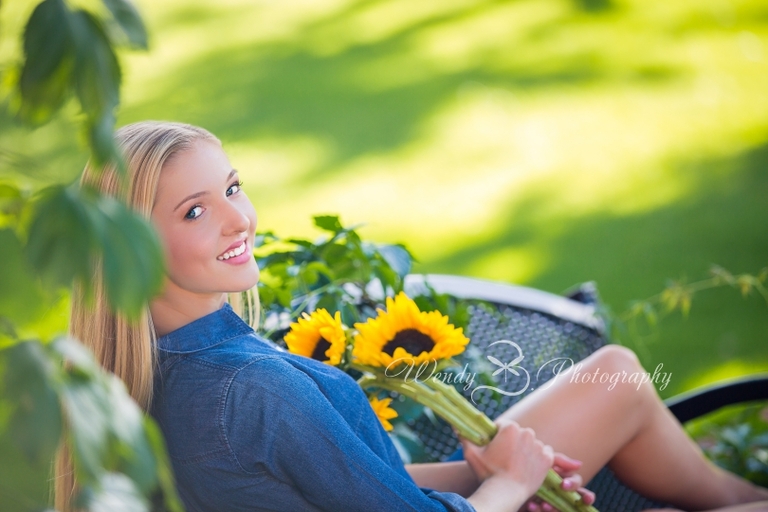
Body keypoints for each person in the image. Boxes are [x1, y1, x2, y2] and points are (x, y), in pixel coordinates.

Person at [57, 120, 768, 512]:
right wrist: (509, 487)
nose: (238, 218)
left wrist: (491, 470)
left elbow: (337, 484)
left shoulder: (146, 378)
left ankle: (740, 488)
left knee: (614, 376)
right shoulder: (249, 387)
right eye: (194, 210)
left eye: (233, 187)